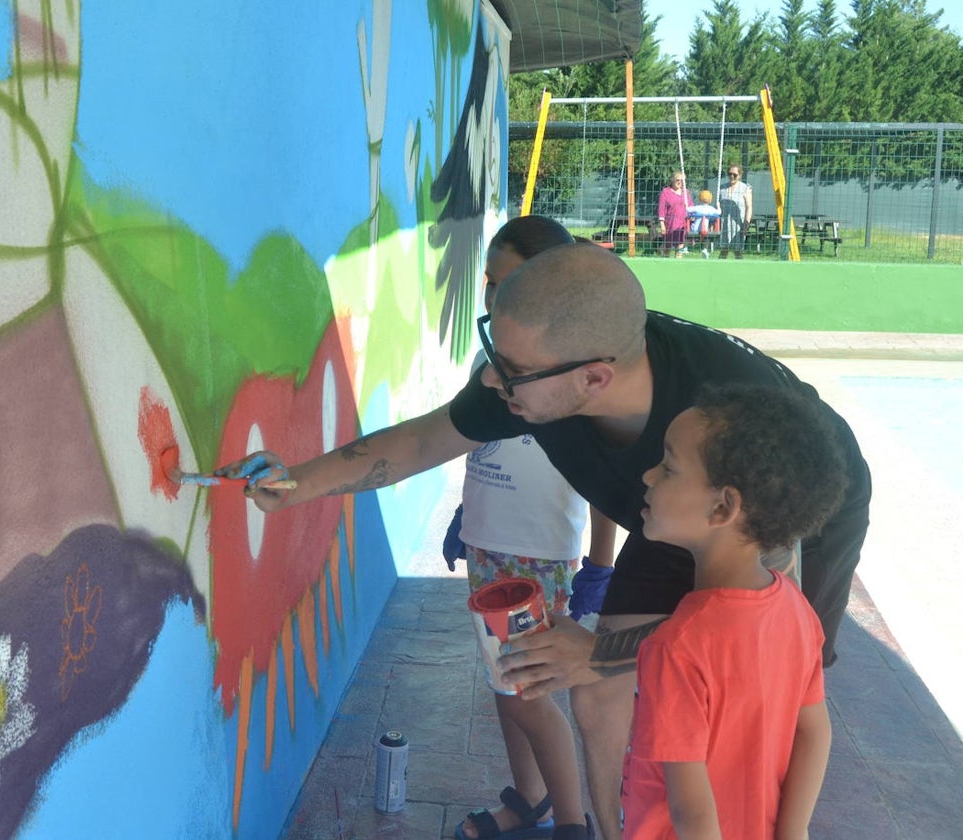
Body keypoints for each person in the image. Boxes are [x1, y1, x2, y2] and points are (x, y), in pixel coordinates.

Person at [216, 242, 871, 840]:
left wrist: (607, 650)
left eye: (513, 370)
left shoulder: (720, 441)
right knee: (592, 685)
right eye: (495, 353)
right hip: (670, 513)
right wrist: (295, 484)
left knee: (762, 696)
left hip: (797, 508)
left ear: (594, 379)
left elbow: (748, 630)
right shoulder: (540, 378)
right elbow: (421, 440)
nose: (494, 382)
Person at [445, 216, 613, 840]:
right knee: (502, 681)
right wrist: (469, 517)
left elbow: (602, 479)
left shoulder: (571, 372)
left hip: (537, 560)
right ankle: (530, 799)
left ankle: (572, 823)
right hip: (490, 547)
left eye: (507, 284)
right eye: (488, 283)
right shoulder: (488, 362)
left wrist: (600, 561)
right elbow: (477, 442)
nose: (494, 299)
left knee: (530, 694)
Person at [622, 383, 845, 838]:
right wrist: (793, 832)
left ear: (723, 507)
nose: (648, 476)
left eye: (667, 468)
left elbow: (693, 815)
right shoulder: (796, 611)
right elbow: (815, 733)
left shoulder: (677, 648)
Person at [718, 164, 753, 259]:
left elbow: (749, 207)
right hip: (725, 223)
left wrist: (746, 223)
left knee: (738, 251)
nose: (732, 176)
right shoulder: (722, 188)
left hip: (738, 224)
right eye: (730, 174)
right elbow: (718, 206)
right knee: (723, 250)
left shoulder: (745, 188)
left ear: (740, 175)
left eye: (735, 174)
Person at [655, 172, 691, 258]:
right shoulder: (666, 192)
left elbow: (691, 206)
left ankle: (678, 265)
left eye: (682, 181)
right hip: (670, 224)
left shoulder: (686, 193)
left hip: (682, 224)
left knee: (680, 246)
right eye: (678, 180)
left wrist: (692, 215)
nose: (680, 182)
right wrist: (662, 224)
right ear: (673, 180)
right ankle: (666, 262)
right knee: (667, 247)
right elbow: (661, 209)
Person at [685, 189, 721, 258]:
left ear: (699, 199)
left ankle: (685, 247)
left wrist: (686, 205)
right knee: (707, 238)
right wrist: (718, 205)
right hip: (704, 230)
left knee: (689, 235)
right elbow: (719, 212)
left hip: (695, 229)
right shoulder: (711, 209)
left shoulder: (698, 207)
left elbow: (687, 209)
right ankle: (705, 249)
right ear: (710, 200)